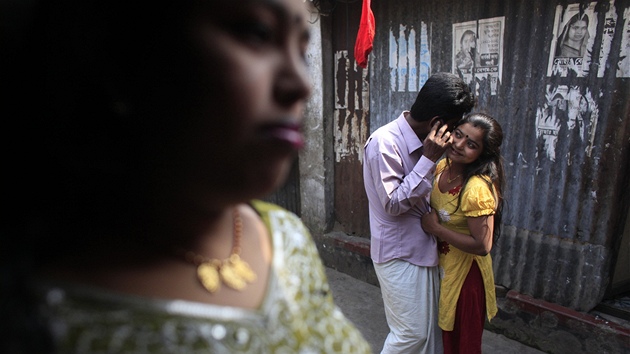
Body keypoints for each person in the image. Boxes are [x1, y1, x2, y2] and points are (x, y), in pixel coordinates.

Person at [0, 0, 372, 353]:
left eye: (300, 49)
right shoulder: (47, 316)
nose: (301, 84)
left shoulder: (285, 236)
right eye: (256, 33)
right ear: (123, 54)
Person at [362, 72, 474, 353]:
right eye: (453, 126)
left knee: (428, 336)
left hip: (424, 249)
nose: (455, 133)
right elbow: (393, 204)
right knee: (410, 335)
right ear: (437, 122)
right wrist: (427, 159)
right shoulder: (384, 143)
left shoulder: (431, 145)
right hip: (399, 254)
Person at [421, 113, 505, 354]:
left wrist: (436, 228)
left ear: (482, 154)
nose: (459, 144)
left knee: (462, 345)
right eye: (458, 135)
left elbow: (482, 244)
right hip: (442, 268)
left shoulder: (476, 188)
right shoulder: (442, 166)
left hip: (466, 279)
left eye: (471, 144)